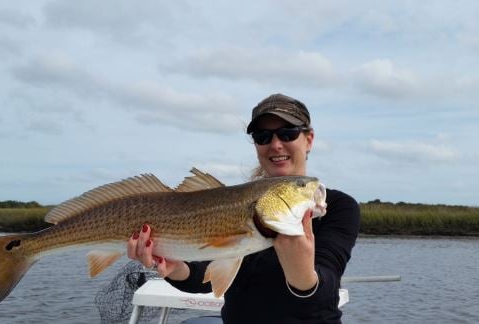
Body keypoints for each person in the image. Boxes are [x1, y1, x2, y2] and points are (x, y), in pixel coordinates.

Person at [127, 93, 360, 323]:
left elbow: (325, 292)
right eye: (263, 136)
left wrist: (301, 271)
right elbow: (208, 275)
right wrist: (176, 268)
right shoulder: (235, 204)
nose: (276, 144)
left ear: (308, 139)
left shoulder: (340, 207)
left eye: (288, 133)